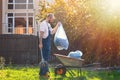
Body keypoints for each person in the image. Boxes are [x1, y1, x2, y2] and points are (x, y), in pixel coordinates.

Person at [39, 13, 60, 78]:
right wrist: (40, 43)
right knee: (44, 58)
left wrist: (57, 25)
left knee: (46, 58)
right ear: (49, 17)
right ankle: (45, 72)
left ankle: (43, 72)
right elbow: (41, 34)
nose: (53, 20)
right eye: (52, 19)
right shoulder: (43, 24)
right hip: (44, 43)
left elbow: (52, 32)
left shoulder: (48, 25)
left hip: (48, 43)